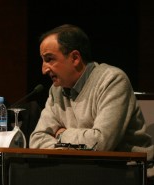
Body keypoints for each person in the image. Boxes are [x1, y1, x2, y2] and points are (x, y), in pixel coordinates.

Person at [29, 24, 154, 161]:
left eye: (49, 59)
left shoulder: (112, 80)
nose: (44, 69)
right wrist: (75, 145)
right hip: (84, 168)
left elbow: (100, 143)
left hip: (131, 170)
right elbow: (36, 140)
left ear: (75, 58)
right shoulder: (56, 90)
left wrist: (61, 135)